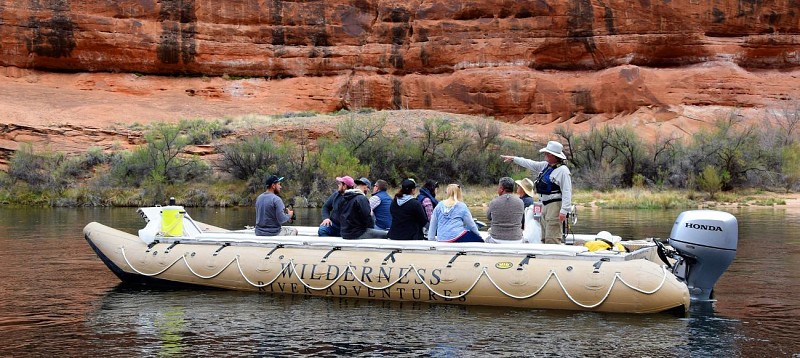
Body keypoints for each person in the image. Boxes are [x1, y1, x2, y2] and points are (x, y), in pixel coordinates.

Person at [501, 140, 573, 244]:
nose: (545, 155)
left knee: (552, 235)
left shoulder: (563, 171)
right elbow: (530, 163)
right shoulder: (545, 166)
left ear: (553, 155)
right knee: (543, 235)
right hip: (543, 204)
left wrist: (564, 210)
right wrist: (514, 159)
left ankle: (553, 257)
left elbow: (567, 191)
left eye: (547, 153)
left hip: (554, 205)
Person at [485, 177, 525, 243]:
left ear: (501, 189)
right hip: (516, 239)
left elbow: (489, 217)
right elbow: (522, 219)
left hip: (496, 239)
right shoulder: (520, 202)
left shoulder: (494, 202)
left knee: (487, 239)